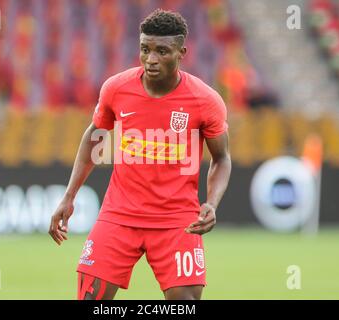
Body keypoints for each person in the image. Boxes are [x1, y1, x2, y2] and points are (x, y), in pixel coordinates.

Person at [49, 9, 231, 300]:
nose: (151, 59)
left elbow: (221, 159)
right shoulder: (116, 88)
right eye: (145, 49)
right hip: (119, 215)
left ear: (181, 52)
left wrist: (211, 202)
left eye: (162, 51)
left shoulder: (205, 100)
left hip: (177, 220)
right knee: (90, 297)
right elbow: (93, 139)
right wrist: (69, 196)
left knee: (185, 302)